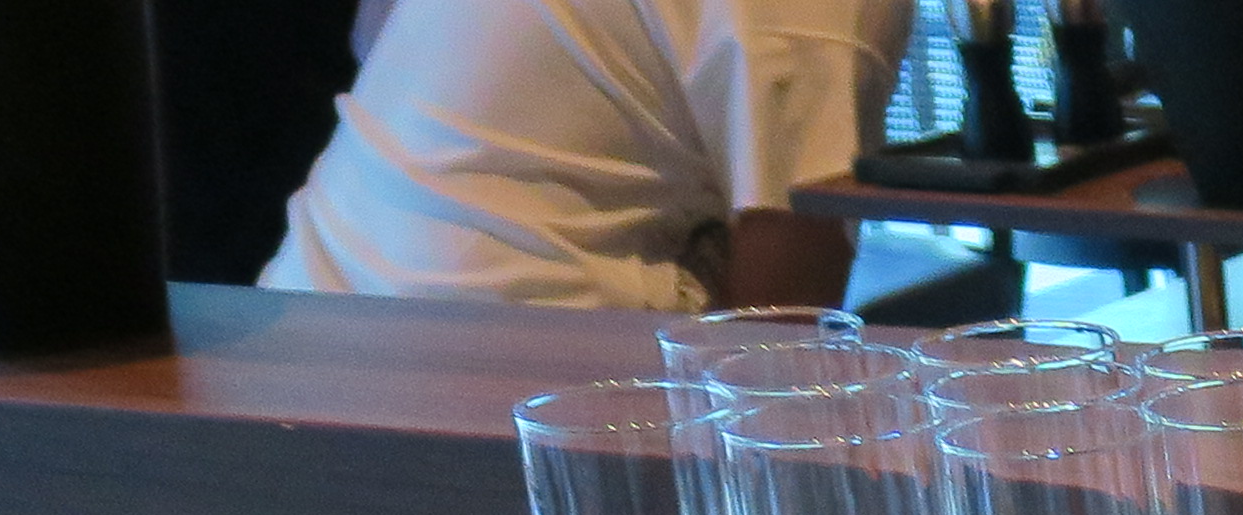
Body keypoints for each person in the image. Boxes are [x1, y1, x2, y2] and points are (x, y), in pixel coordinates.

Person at [265, 0, 916, 311]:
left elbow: (374, 40)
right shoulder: (825, 14)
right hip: (499, 391)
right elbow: (779, 351)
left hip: (297, 325)